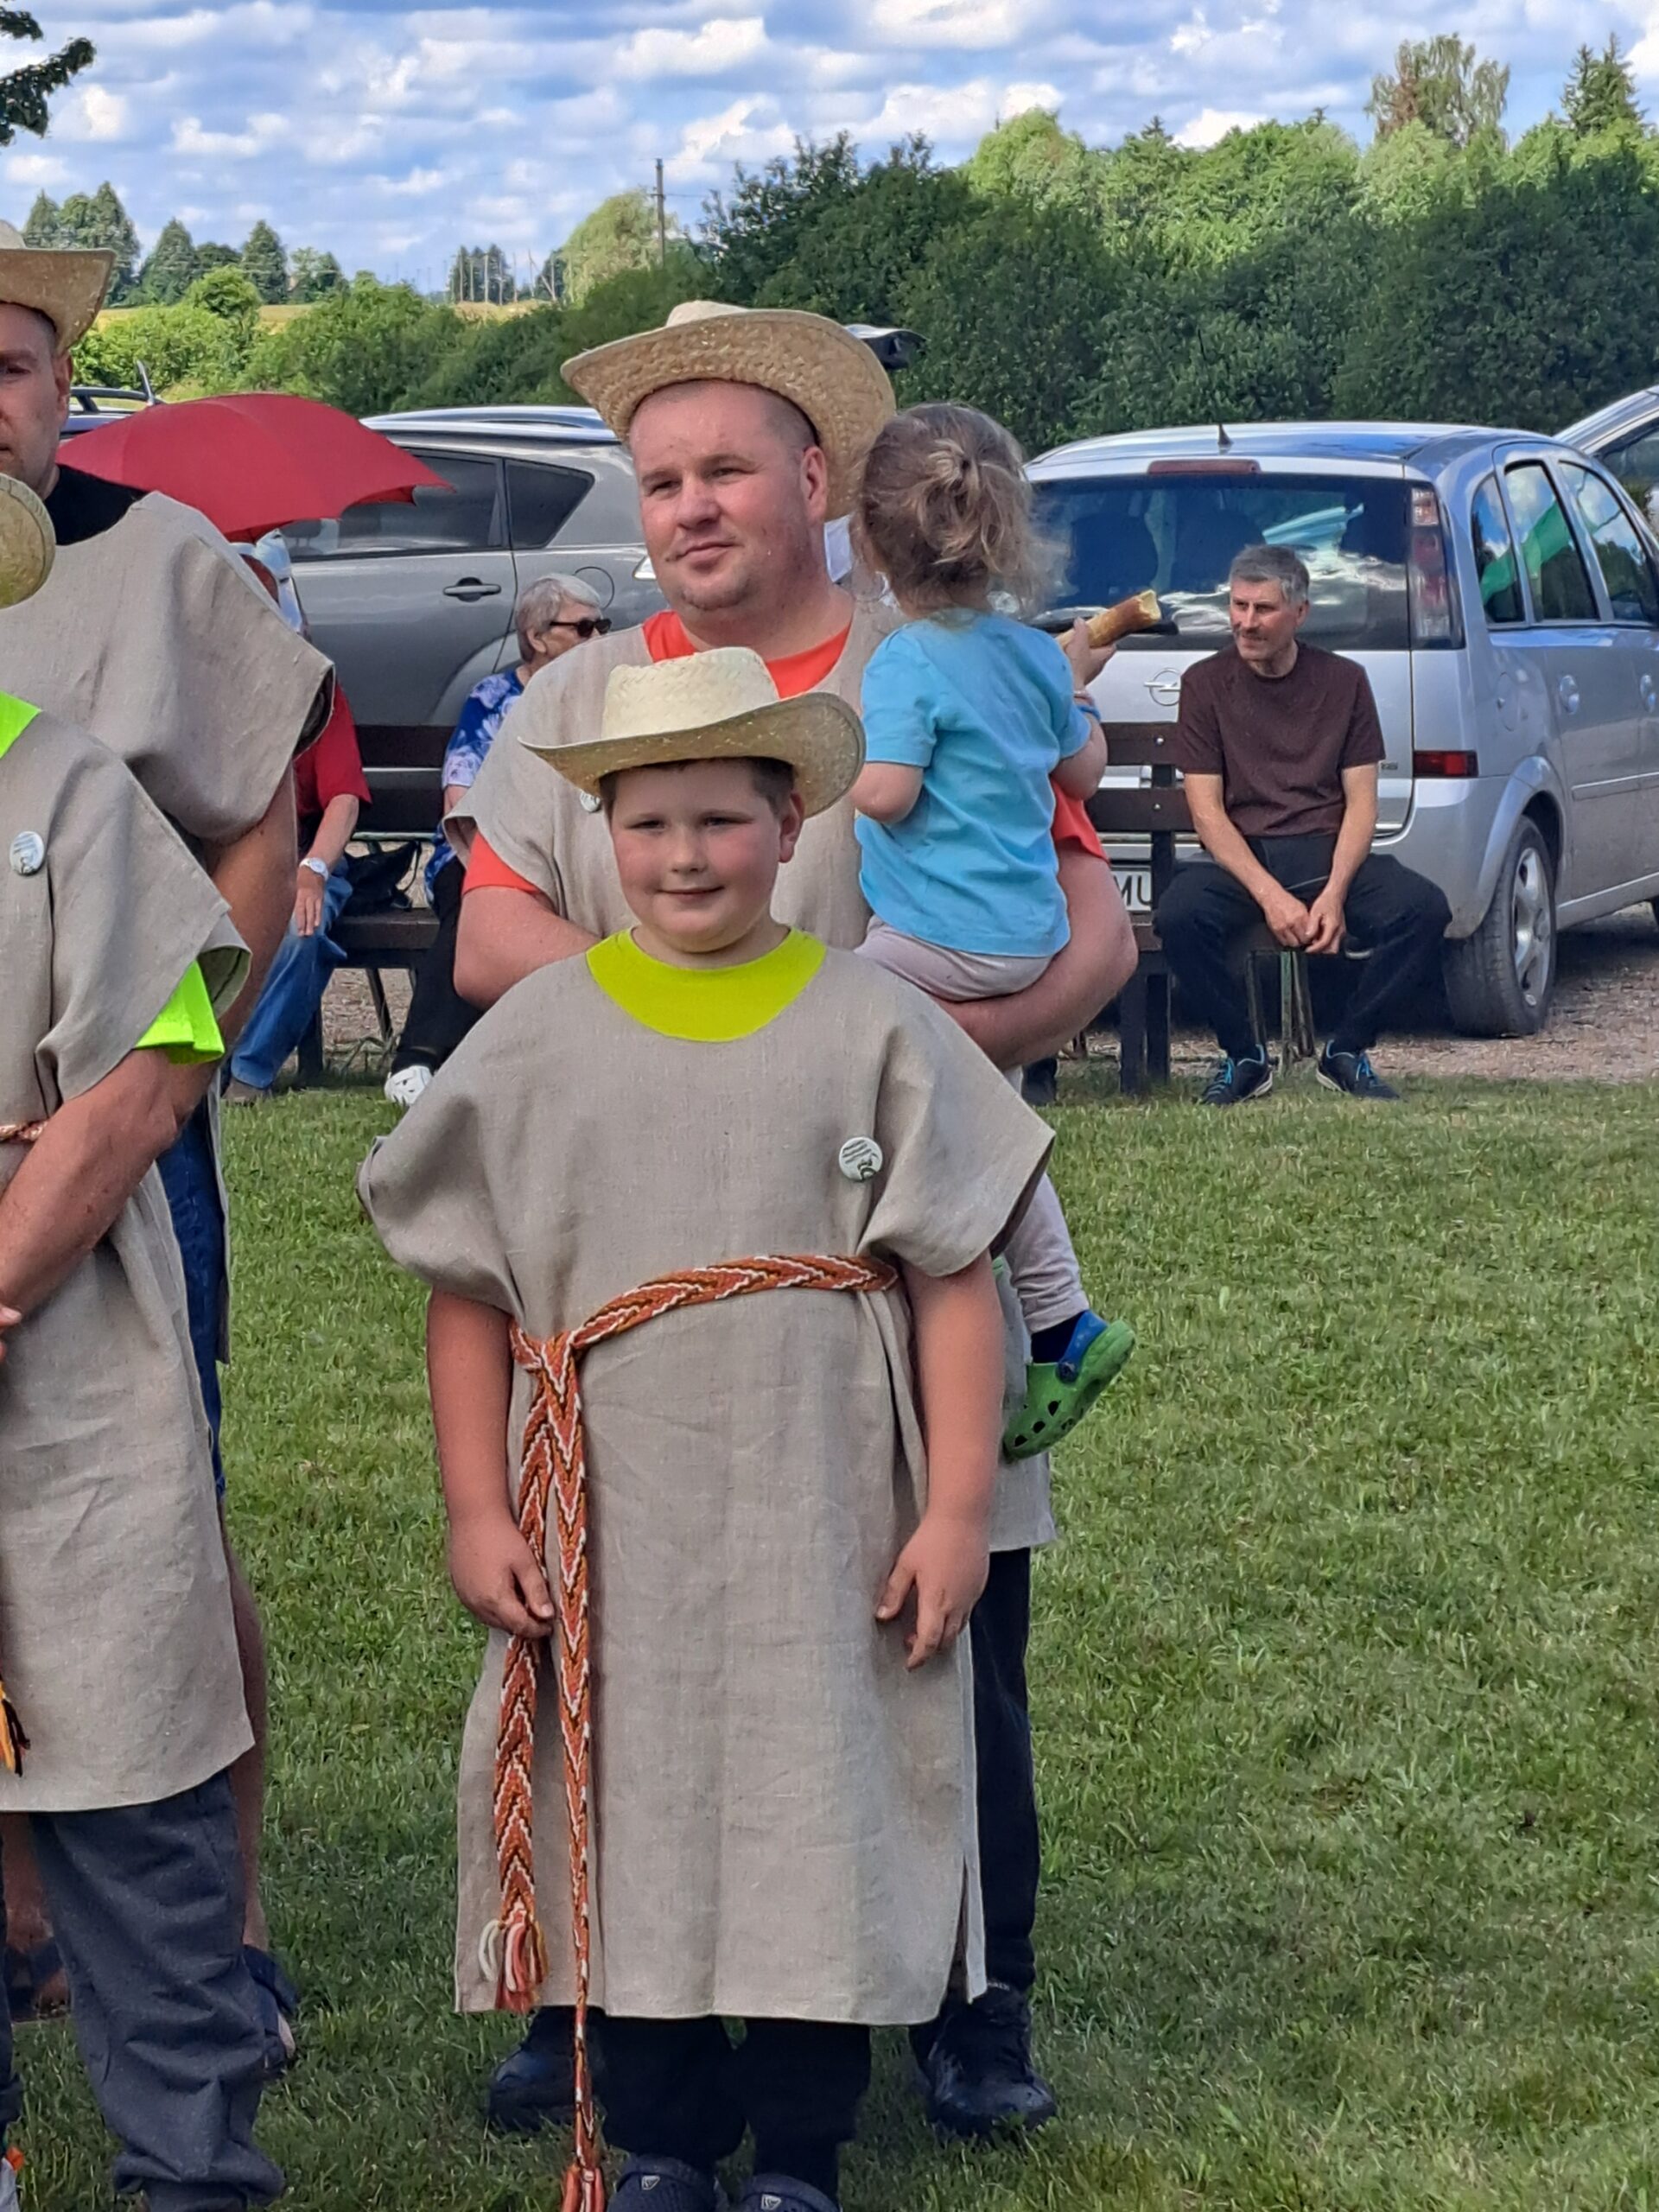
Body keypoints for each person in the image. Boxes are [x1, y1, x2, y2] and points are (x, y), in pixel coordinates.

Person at [448, 299, 1138, 2140]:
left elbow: (1094, 921)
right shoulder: (584, 701)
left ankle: (969, 1994)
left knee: (947, 1619)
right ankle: (592, 1989)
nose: (689, 506)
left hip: (893, 1249)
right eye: (661, 478)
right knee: (622, 1628)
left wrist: (904, 1061)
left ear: (818, 477)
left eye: (726, 470)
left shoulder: (940, 653)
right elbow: (490, 932)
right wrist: (695, 1033)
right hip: (645, 1260)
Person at [361, 647, 1055, 2212]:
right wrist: (479, 1508)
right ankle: (663, 2137)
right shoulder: (535, 1038)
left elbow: (952, 1279)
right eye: (650, 822)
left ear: (792, 824)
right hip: (616, 1512)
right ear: (602, 830)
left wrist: (958, 1509)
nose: (686, 856)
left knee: (820, 1782)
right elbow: (468, 1292)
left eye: (723, 821)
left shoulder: (876, 1025)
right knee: (634, 1795)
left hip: (826, 1508)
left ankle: (802, 2143)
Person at [0, 219, 328, 2058]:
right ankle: (28, 1910)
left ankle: (225, 1915)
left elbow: (256, 833)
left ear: (64, 383)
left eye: (9, 365)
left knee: (156, 1506)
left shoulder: (159, 562)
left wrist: (174, 1068)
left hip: (125, 1109)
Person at [0, 476, 283, 2211]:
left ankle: (189, 2165)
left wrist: (3, 1269)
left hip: (64, 1359)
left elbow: (164, 1043)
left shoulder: (64, 783)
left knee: (125, 1753)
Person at [849, 401, 1135, 1459]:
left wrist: (819, 763)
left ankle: (1045, 1314)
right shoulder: (1032, 656)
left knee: (839, 1008)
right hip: (1029, 934)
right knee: (984, 1121)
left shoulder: (904, 663)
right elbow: (1084, 773)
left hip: (936, 939)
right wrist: (1076, 689)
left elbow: (888, 794)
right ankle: (1055, 1323)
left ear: (871, 542)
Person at [1156, 543, 1451, 1106]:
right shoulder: (1204, 683)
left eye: (1263, 609)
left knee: (1423, 908)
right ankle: (1244, 1056)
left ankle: (1347, 1051)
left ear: (1300, 613)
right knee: (1179, 915)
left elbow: (1362, 804)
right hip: (1246, 860)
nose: (1246, 622)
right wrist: (1270, 897)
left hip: (1324, 852)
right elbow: (1207, 813)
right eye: (1239, 606)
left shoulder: (1344, 681)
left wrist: (1335, 893)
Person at [384, 574, 612, 1109]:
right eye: (583, 628)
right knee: (483, 901)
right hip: (482, 848)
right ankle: (416, 1058)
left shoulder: (600, 698)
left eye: (603, 626)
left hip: (567, 855)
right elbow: (459, 797)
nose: (599, 638)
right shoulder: (494, 700)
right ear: (537, 636)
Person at [225, 685, 371, 1103]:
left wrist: (315, 869)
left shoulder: (319, 695)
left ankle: (249, 1073)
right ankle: (203, 1070)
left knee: (301, 927)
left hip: (302, 852)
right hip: (226, 856)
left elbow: (344, 799)